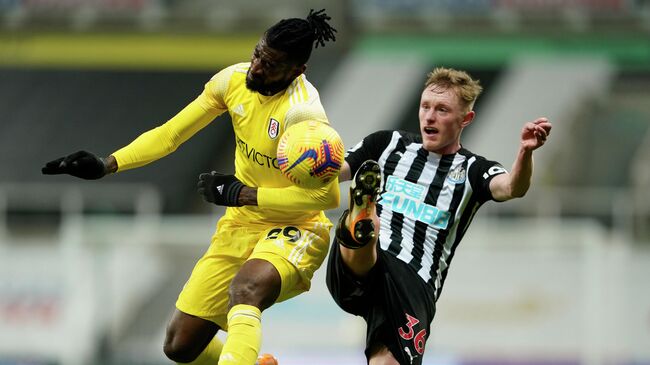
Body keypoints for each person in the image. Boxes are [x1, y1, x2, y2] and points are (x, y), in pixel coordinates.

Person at [41, 10, 338, 365]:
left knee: (246, 290)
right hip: (242, 224)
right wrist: (108, 164)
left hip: (297, 227)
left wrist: (242, 194)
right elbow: (171, 135)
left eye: (270, 64)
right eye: (258, 54)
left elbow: (328, 195)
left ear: (296, 71)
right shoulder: (232, 81)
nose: (256, 68)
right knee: (180, 346)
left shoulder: (303, 114)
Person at [326, 67, 552, 365]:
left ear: (465, 119)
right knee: (367, 230)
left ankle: (363, 216)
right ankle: (363, 215)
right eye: (425, 107)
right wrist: (305, 162)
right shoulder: (387, 144)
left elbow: (512, 187)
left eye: (442, 109)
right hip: (363, 264)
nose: (429, 117)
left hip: (413, 283)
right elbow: (334, 172)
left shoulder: (473, 169)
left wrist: (525, 152)